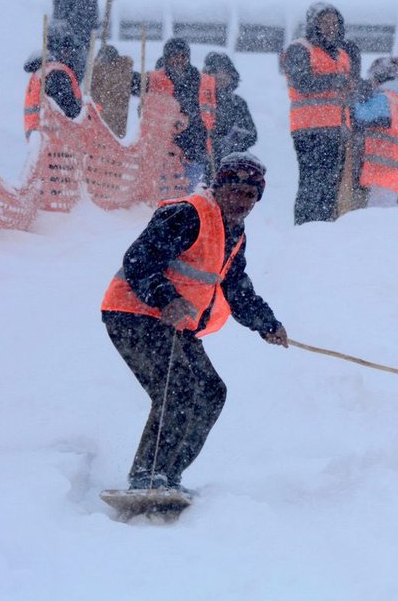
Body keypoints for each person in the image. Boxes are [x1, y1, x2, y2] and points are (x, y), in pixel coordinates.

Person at [99, 152, 288, 493]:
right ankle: (147, 476)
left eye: (250, 196)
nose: (241, 201)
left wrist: (267, 323)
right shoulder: (187, 214)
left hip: (174, 323)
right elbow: (139, 259)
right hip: (134, 314)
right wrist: (166, 298)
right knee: (179, 388)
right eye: (235, 191)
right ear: (219, 186)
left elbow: (235, 286)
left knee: (211, 392)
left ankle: (169, 476)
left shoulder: (234, 233)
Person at [282, 3, 360, 224]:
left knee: (329, 184)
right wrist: (336, 81)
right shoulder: (300, 48)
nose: (330, 27)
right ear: (313, 24)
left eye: (334, 22)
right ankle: (305, 226)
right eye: (324, 22)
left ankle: (323, 226)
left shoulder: (342, 55)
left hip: (337, 129)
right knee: (312, 182)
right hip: (310, 129)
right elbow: (301, 82)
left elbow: (348, 91)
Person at [142, 38, 213, 189]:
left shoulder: (201, 80)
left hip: (194, 150)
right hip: (162, 151)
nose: (178, 60)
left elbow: (208, 115)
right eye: (174, 55)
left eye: (182, 56)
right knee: (163, 194)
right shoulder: (153, 79)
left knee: (187, 194)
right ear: (166, 57)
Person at [356, 57, 398, 207]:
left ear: (377, 78)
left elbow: (359, 117)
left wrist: (356, 98)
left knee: (377, 222)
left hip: (384, 173)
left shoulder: (384, 99)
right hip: (397, 174)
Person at [23, 20, 83, 137]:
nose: (71, 53)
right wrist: (88, 112)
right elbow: (69, 111)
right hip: (54, 137)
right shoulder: (57, 74)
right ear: (58, 48)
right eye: (67, 48)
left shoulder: (45, 69)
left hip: (42, 135)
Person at [202, 52, 258, 165]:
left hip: (232, 165)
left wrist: (231, 144)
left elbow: (251, 134)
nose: (220, 76)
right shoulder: (199, 101)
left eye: (225, 72)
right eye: (215, 72)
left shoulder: (238, 103)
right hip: (204, 162)